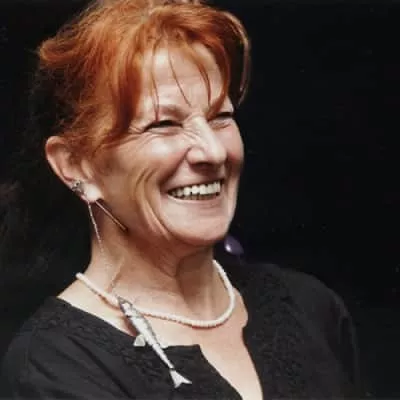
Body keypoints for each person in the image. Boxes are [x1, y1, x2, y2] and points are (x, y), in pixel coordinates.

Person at [0, 0, 362, 398]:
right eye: (164, 124)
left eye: (221, 117)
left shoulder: (311, 308)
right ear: (76, 165)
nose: (213, 152)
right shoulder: (54, 368)